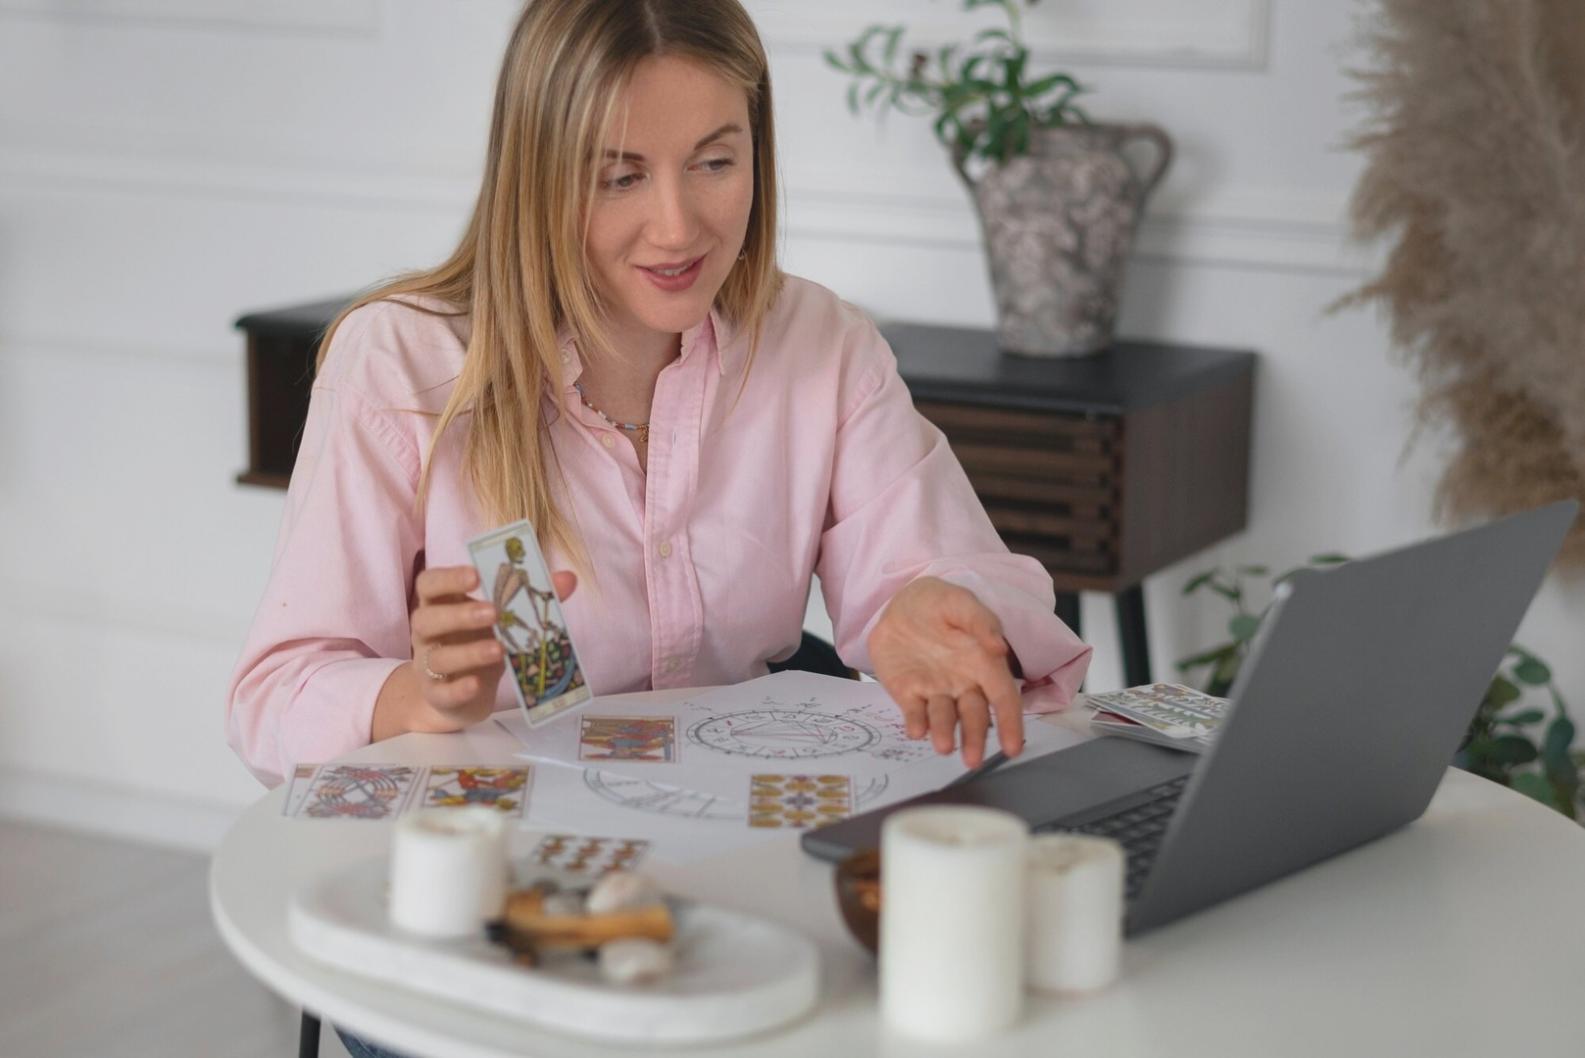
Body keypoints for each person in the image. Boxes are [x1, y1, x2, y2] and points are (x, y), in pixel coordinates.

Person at [228, 1, 1091, 1053]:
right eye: (618, 175)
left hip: (736, 866)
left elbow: (946, 567)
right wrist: (406, 694)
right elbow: (271, 692)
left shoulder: (820, 343)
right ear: (537, 172)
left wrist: (936, 604)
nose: (679, 225)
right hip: (485, 879)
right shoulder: (400, 364)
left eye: (716, 162)